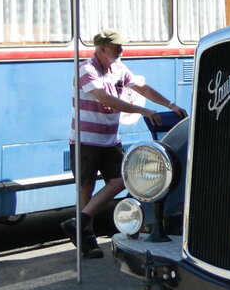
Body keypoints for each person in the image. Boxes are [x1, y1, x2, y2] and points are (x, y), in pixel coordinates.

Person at [62, 28, 186, 259]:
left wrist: (170, 104)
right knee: (86, 187)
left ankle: (79, 222)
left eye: (121, 46)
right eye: (116, 46)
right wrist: (142, 110)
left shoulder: (118, 67)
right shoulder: (86, 70)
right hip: (86, 140)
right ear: (101, 48)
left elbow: (141, 87)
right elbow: (105, 98)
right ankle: (87, 239)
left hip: (110, 139)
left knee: (121, 180)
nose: (121, 50)